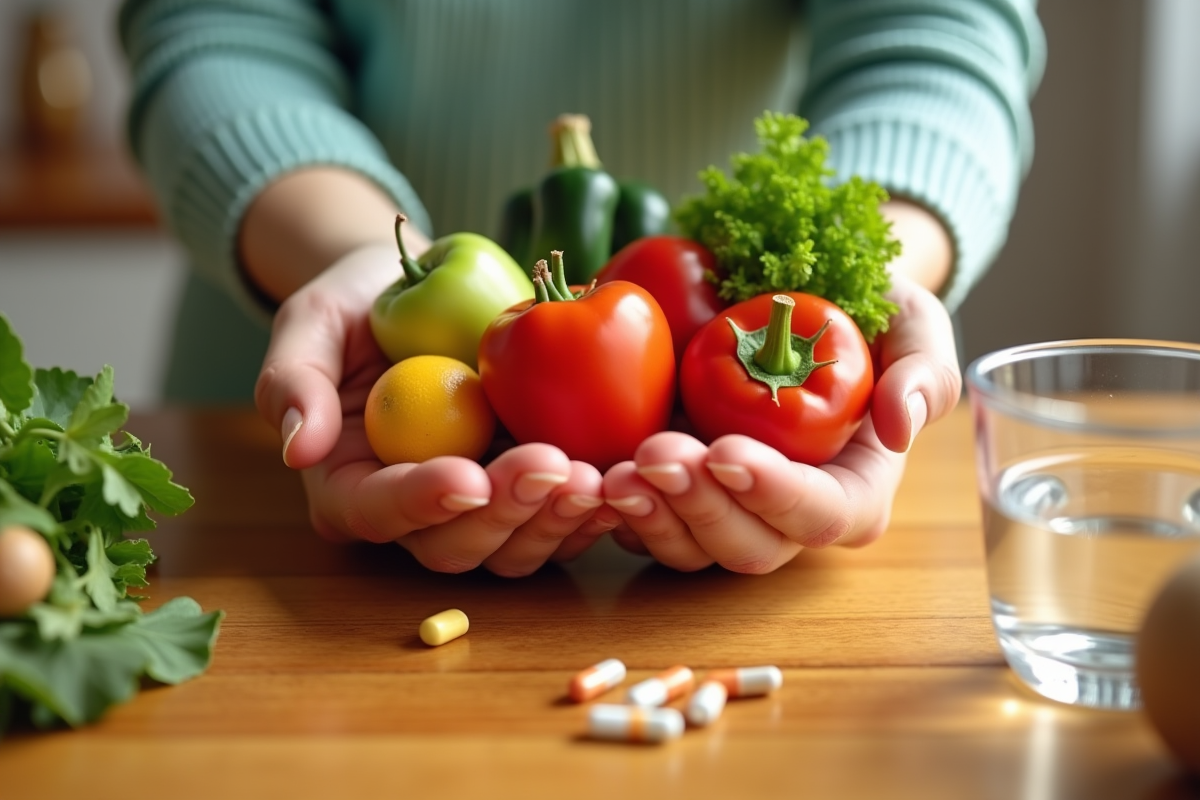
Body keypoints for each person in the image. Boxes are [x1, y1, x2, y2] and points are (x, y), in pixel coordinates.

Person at [117, 0, 1045, 576]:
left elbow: (937, 37)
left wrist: (866, 282)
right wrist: (353, 256)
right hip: (310, 412)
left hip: (755, 405)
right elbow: (216, 26)